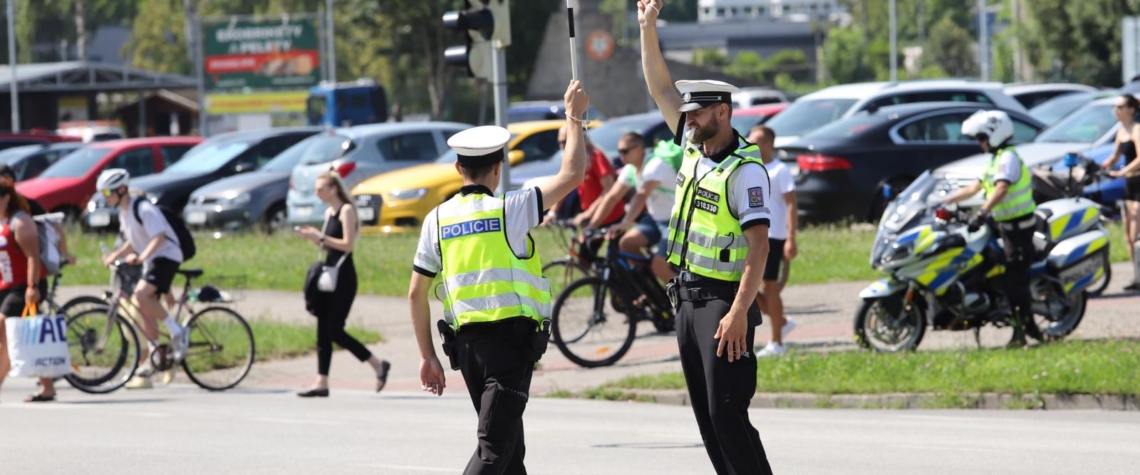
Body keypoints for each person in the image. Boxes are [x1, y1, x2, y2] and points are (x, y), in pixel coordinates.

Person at [408, 80, 590, 474]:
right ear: (498, 167)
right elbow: (574, 173)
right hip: (509, 348)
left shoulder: (436, 220)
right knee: (494, 451)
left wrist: (427, 357)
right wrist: (574, 116)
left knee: (509, 453)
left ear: (458, 168)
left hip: (467, 351)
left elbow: (414, 294)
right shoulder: (513, 209)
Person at [639, 1, 775, 472]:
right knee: (707, 419)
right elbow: (659, 86)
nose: (688, 120)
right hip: (687, 300)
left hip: (723, 302)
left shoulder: (745, 171)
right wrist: (648, 27)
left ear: (722, 111)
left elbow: (760, 246)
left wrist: (740, 311)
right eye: (688, 114)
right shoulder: (694, 149)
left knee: (727, 413)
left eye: (696, 114)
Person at [941, 110, 1043, 346]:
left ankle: (1023, 333)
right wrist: (941, 202)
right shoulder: (996, 159)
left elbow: (1001, 189)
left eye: (981, 137)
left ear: (994, 135)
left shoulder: (1007, 158)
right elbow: (975, 187)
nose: (980, 143)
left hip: (1018, 230)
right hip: (1004, 227)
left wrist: (982, 212)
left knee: (1014, 282)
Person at [295, 170, 391, 397]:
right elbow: (328, 246)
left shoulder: (346, 210)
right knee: (322, 330)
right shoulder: (329, 212)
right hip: (328, 274)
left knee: (335, 330)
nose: (317, 193)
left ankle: (377, 364)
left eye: (321, 189)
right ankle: (321, 382)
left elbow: (347, 245)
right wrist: (314, 239)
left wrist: (320, 237)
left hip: (344, 277)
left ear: (333, 189)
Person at [99, 168, 190, 389]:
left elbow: (158, 237)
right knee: (144, 306)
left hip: (166, 256)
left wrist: (141, 257)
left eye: (108, 192)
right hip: (153, 260)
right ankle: (156, 351)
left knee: (140, 294)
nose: (106, 197)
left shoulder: (144, 208)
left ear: (122, 189)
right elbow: (132, 240)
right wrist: (116, 255)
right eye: (103, 193)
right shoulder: (124, 212)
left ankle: (176, 330)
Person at [585, 132, 680, 282]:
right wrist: (591, 226)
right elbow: (612, 197)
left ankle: (685, 303)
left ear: (639, 149)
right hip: (656, 219)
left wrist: (625, 222)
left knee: (660, 266)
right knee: (626, 244)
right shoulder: (631, 169)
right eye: (619, 152)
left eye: (625, 151)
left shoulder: (655, 165)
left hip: (675, 221)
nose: (621, 155)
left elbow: (641, 195)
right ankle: (653, 292)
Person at [748, 125, 799, 357]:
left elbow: (791, 205)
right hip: (752, 236)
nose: (751, 143)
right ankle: (783, 322)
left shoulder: (779, 170)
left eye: (757, 140)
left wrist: (791, 238)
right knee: (746, 285)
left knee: (769, 287)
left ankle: (777, 342)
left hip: (774, 236)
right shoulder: (750, 168)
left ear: (768, 143)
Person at [0, 177, 51, 402]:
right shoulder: (1, 223)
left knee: (5, 329)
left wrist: (33, 287)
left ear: (6, 198)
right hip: (7, 285)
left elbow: (33, 257)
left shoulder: (20, 223)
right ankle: (47, 387)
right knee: (20, 338)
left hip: (25, 286)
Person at [544, 126, 624, 228]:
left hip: (610, 215)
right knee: (581, 243)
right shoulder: (570, 161)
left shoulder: (596, 157)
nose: (562, 146)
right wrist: (552, 213)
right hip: (592, 217)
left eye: (565, 142)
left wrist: (588, 213)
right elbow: (563, 186)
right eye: (560, 143)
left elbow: (609, 189)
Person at [1102, 94, 1140, 291]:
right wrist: (1104, 166)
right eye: (1114, 107)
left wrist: (1122, 172)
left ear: (1131, 109)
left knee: (1136, 234)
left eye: (1120, 106)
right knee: (1128, 236)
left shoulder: (1136, 129)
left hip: (1138, 181)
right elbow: (1115, 155)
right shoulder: (1121, 130)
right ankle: (1137, 276)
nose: (1116, 110)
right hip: (1128, 184)